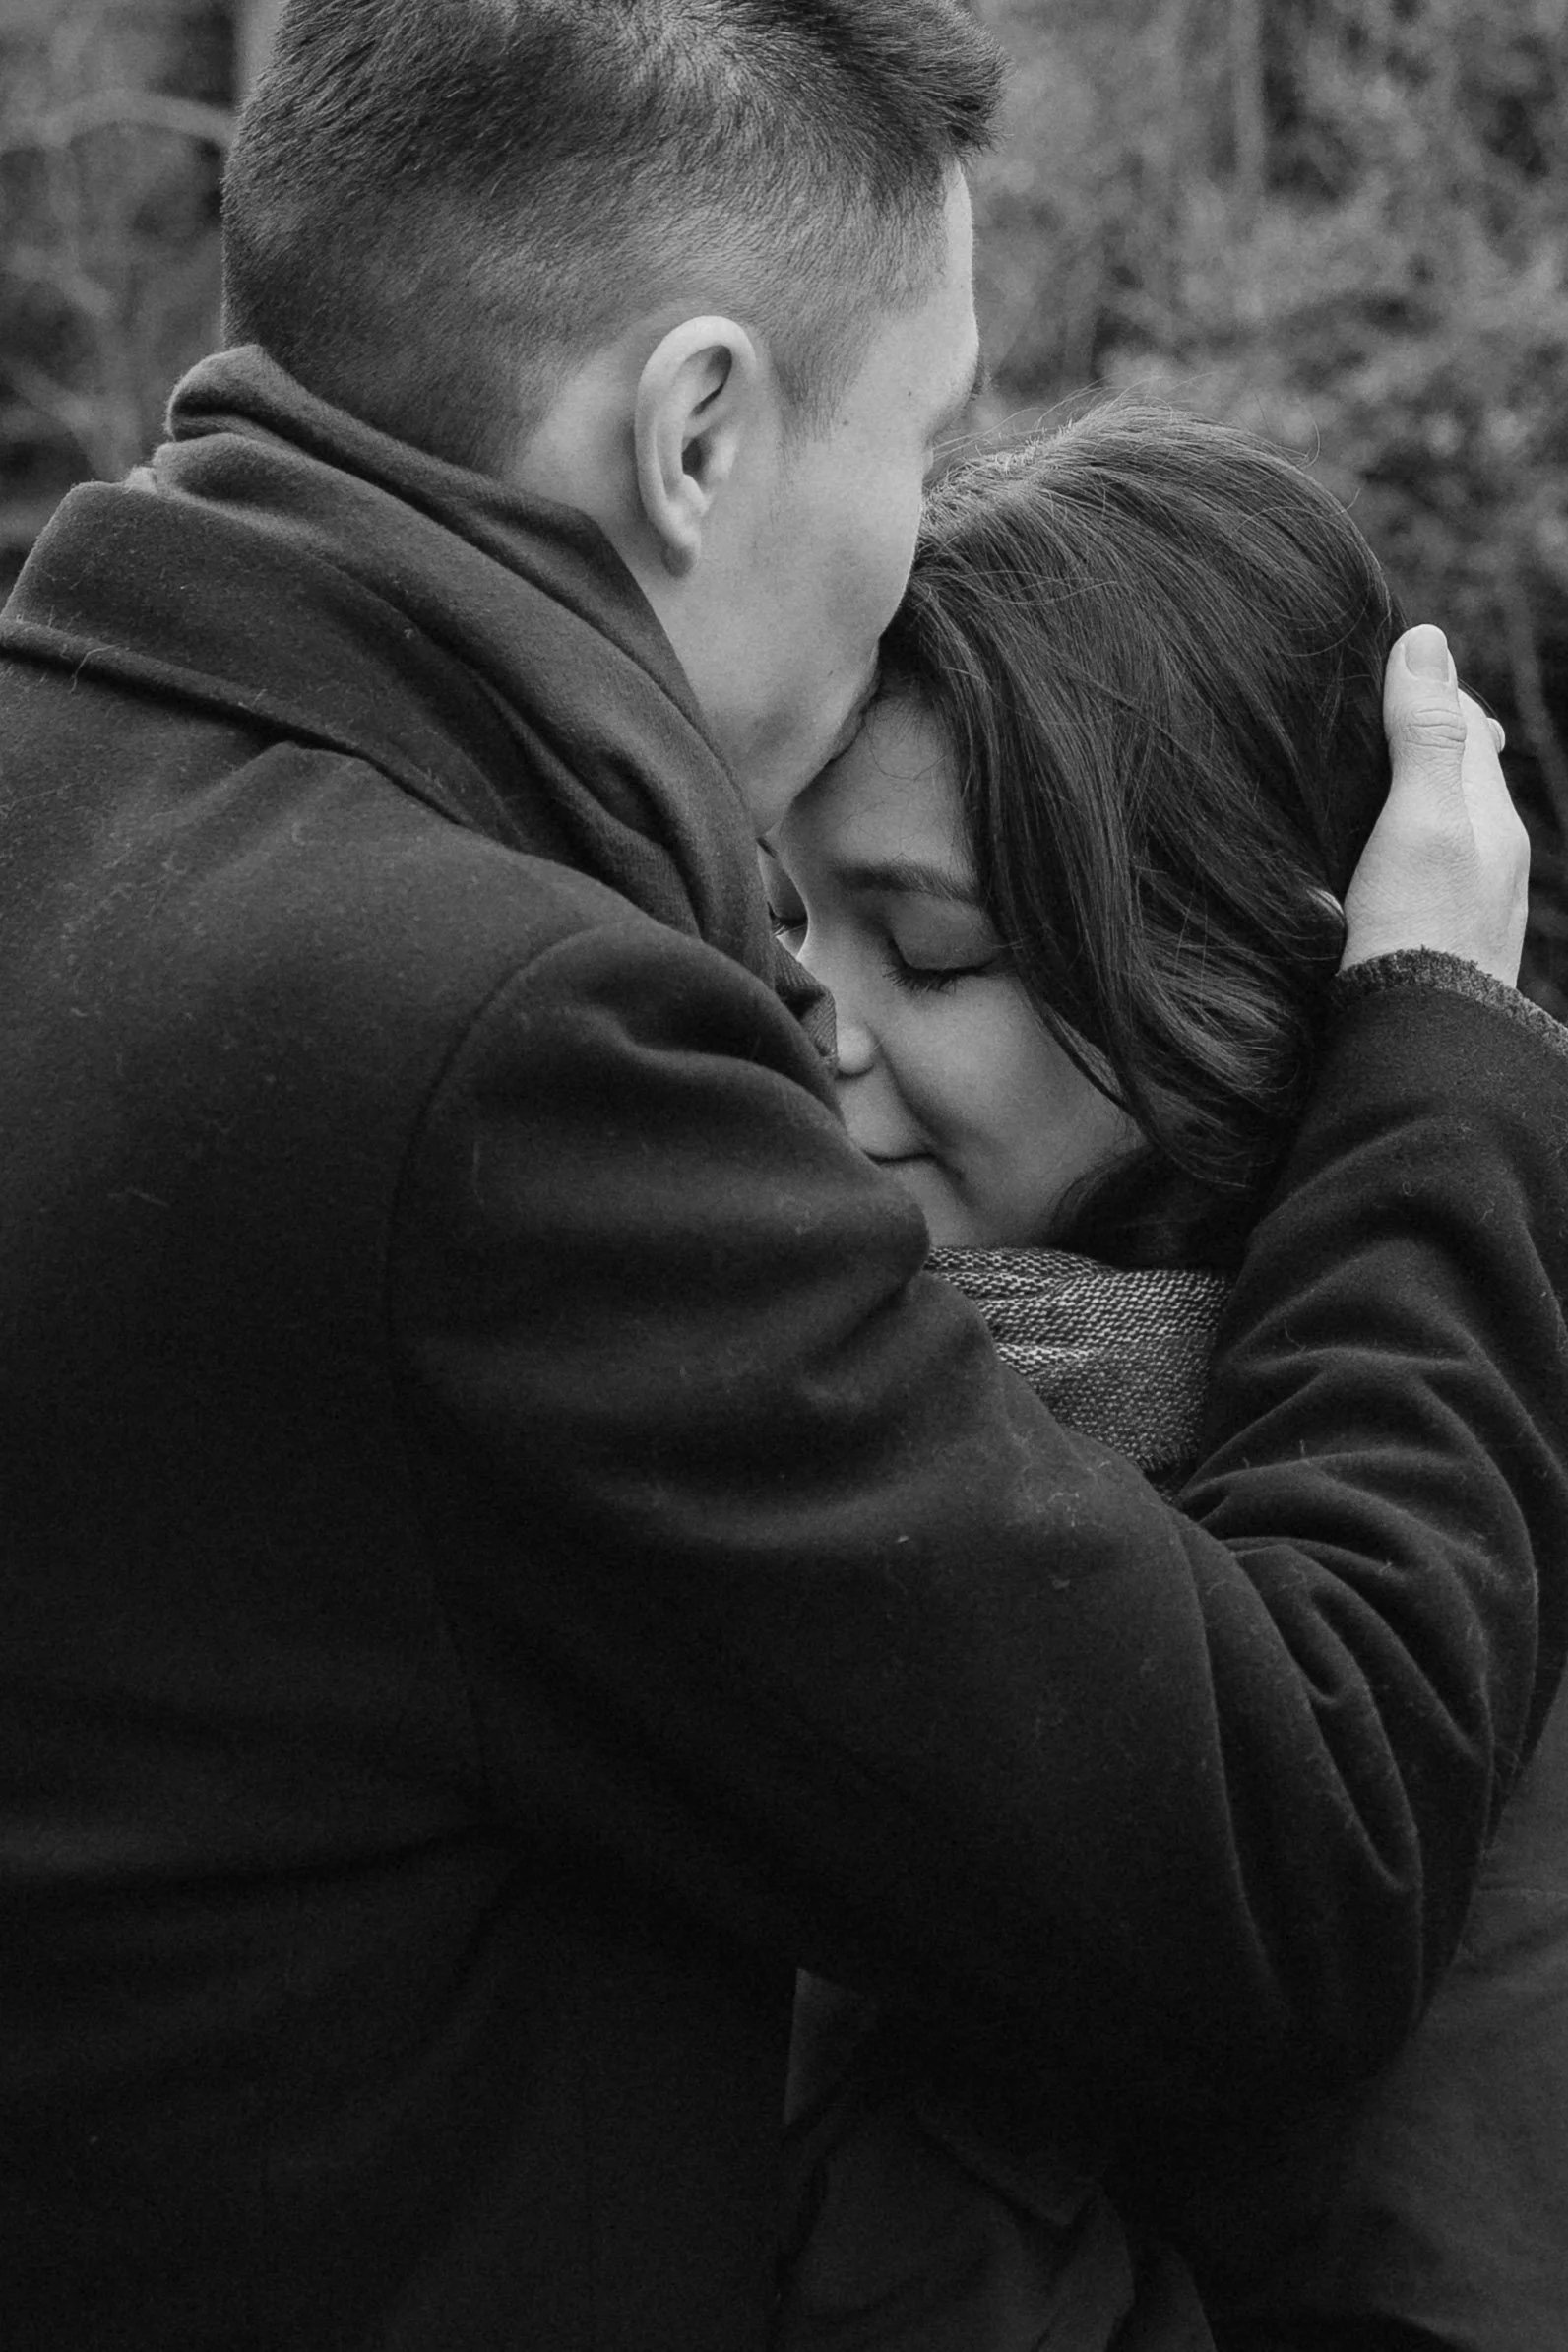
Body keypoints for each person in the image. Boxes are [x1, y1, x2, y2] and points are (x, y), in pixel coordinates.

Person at [0, 6, 1563, 2348]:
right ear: (699, 428)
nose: (809, 1003)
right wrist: (1435, 1042)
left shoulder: (92, 796)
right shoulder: (501, 1044)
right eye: (921, 436)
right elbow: (1289, 1852)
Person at [767, 406, 1568, 2349]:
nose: (814, 1037)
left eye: (929, 954)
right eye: (793, 935)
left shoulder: (1477, 1550)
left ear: (1220, 984)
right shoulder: (781, 1399)